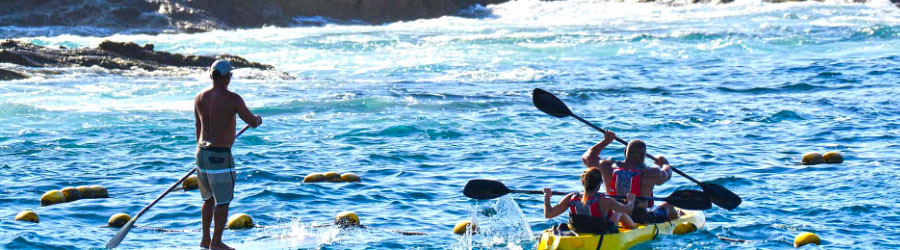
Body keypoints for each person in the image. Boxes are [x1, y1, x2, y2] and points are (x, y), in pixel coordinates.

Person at [194, 59, 262, 250]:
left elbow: (198, 128)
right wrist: (257, 119)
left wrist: (202, 155)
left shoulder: (199, 97)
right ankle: (216, 243)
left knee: (207, 200)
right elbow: (252, 121)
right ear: (227, 77)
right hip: (220, 155)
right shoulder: (233, 99)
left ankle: (205, 240)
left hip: (201, 153)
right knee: (222, 201)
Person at [582, 130, 678, 225]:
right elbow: (667, 174)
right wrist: (665, 164)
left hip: (612, 212)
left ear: (625, 152)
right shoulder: (650, 173)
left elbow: (587, 158)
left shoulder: (607, 166)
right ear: (643, 155)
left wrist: (606, 141)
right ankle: (677, 222)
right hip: (639, 218)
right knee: (668, 205)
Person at [543, 168, 637, 234]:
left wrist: (547, 196)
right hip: (599, 232)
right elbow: (628, 209)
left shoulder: (571, 197)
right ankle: (635, 230)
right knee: (618, 211)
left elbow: (548, 214)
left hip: (577, 229)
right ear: (599, 185)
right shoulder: (606, 201)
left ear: (583, 182)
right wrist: (631, 200)